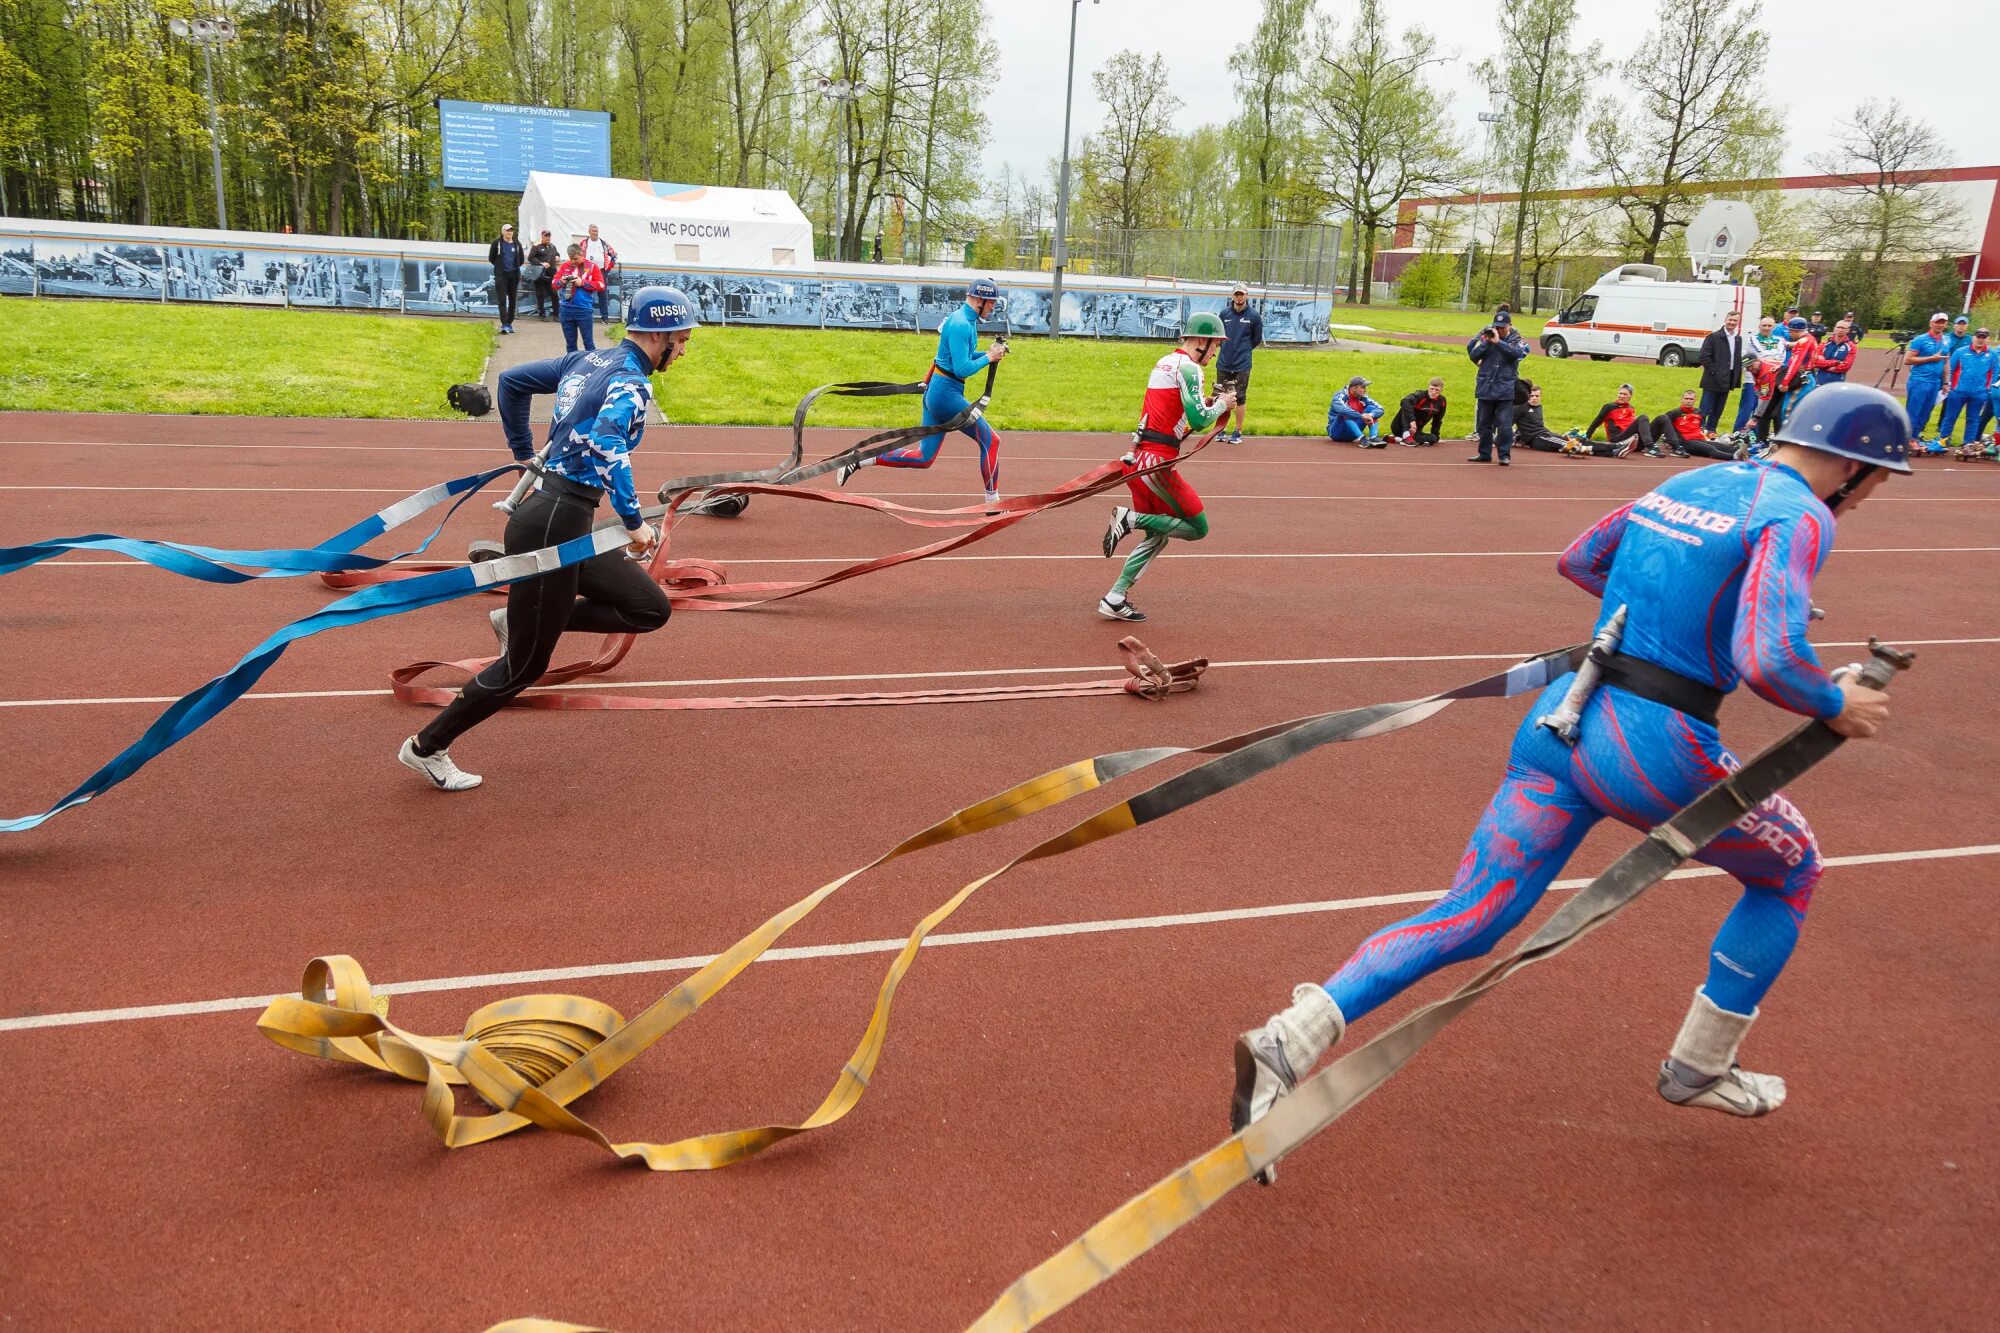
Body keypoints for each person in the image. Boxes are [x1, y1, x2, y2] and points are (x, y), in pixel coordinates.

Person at [1231, 382, 1910, 1165]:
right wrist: (1838, 702)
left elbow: (1583, 559)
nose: (1873, 495)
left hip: (1564, 719)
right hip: (1655, 748)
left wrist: (1669, 613)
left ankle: (1286, 1041)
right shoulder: (1800, 514)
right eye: (1880, 478)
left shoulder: (1688, 478)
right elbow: (1772, 659)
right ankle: (1699, 1066)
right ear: (1852, 465)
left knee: (1474, 910)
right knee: (1791, 869)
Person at [397, 286, 697, 791]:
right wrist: (632, 522)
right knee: (526, 665)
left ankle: (517, 619)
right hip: (553, 523)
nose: (685, 350)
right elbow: (606, 444)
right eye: (683, 340)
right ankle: (427, 748)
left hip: (559, 515)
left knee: (649, 608)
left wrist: (526, 455)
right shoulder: (629, 382)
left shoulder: (587, 359)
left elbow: (512, 382)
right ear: (660, 335)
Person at [1096, 312, 1235, 623]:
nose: (1216, 353)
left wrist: (1210, 403)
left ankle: (1115, 597)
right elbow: (1199, 420)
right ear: (1202, 341)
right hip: (1156, 464)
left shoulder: (1165, 362)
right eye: (1215, 346)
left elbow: (1176, 421)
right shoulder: (1190, 368)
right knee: (1198, 528)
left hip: (1138, 461)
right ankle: (1128, 518)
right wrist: (1223, 404)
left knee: (1158, 534)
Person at [837, 277, 1011, 509]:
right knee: (991, 441)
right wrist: (989, 358)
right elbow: (962, 368)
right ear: (979, 299)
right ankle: (993, 504)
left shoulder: (961, 319)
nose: (992, 307)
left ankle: (858, 459)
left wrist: (990, 353)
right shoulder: (961, 324)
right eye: (991, 302)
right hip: (945, 394)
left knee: (923, 458)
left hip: (938, 391)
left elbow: (952, 358)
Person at [1467, 310, 1531, 466]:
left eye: (1503, 327)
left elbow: (1515, 354)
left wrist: (1498, 342)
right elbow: (1473, 355)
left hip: (1505, 388)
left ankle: (1504, 455)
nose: (1500, 330)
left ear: (1510, 325)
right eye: (1497, 327)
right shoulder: (1487, 338)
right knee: (1483, 424)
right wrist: (1486, 342)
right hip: (1485, 387)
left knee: (1504, 425)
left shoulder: (1516, 339)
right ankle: (1484, 454)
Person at [1752, 317, 1818, 441]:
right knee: (1785, 411)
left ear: (1795, 330)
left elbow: (1795, 363)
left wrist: (1785, 382)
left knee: (1786, 412)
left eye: (1790, 331)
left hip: (1801, 379)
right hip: (1806, 377)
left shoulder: (1803, 341)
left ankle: (1787, 442)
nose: (1789, 334)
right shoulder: (1810, 339)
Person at [1516, 382, 1620, 456]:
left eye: (1537, 396)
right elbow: (1508, 423)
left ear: (1541, 396)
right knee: (1573, 445)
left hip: (1547, 434)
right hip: (1539, 439)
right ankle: (1616, 446)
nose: (1534, 398)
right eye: (1532, 396)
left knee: (1579, 441)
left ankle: (1614, 452)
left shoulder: (1539, 406)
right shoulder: (1521, 407)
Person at [1216, 284, 1263, 444]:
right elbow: (1219, 336)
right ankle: (1220, 429)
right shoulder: (1224, 314)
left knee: (1240, 397)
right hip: (1223, 362)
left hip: (1242, 364)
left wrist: (1243, 350)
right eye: (1236, 294)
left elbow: (1256, 339)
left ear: (1247, 296)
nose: (1239, 297)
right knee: (1221, 396)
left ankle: (1237, 431)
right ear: (1232, 296)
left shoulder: (1254, 316)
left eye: (1242, 294)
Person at [1938, 326, 1998, 446]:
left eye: (1984, 337)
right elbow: (1950, 369)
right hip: (1958, 391)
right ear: (1973, 338)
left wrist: (1988, 390)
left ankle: (1968, 444)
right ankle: (1944, 441)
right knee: (1950, 417)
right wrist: (1949, 385)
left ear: (1988, 339)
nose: (1980, 340)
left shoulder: (1992, 354)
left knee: (1973, 419)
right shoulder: (1961, 352)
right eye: (1978, 337)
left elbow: (1995, 373)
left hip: (1979, 393)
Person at [1902, 312, 1951, 447]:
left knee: (1926, 412)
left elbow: (1946, 362)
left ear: (1946, 324)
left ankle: (1915, 436)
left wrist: (1946, 382)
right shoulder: (1920, 339)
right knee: (1913, 411)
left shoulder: (1947, 340)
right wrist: (1930, 358)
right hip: (1919, 380)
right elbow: (1908, 359)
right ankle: (1908, 438)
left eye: (1943, 322)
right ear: (1931, 323)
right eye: (1937, 322)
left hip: (1936, 382)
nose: (1940, 325)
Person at [1733, 314, 1785, 434]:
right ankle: (1738, 432)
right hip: (1752, 379)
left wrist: (1766, 358)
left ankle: (1755, 434)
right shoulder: (1753, 338)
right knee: (1748, 406)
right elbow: (1759, 356)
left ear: (1774, 327)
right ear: (1759, 326)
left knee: (1763, 406)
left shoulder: (1780, 340)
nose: (1766, 328)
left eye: (1769, 325)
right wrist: (1771, 356)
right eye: (1764, 325)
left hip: (1770, 378)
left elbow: (1780, 358)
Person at [1652, 387, 1733, 459]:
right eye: (1686, 398)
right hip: (1686, 442)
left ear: (1695, 400)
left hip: (1700, 439)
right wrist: (1669, 441)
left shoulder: (1698, 412)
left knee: (1723, 446)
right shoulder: (1674, 413)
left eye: (1691, 399)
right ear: (1682, 399)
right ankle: (1735, 457)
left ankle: (1744, 452)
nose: (1688, 401)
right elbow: (1664, 426)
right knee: (1710, 449)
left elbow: (1700, 427)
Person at [551, 244, 605, 353]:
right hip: (566, 309)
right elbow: (553, 284)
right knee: (570, 344)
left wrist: (583, 283)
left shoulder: (592, 267)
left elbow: (601, 285)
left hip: (584, 309)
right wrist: (562, 281)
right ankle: (572, 367)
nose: (573, 261)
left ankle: (592, 367)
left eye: (575, 259)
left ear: (582, 254)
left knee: (588, 343)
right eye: (570, 259)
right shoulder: (565, 266)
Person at [1697, 310, 1742, 431]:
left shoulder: (1738, 339)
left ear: (1738, 322)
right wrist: (1714, 371)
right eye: (1730, 320)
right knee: (1705, 408)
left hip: (1728, 379)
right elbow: (1704, 356)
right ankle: (1698, 430)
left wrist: (1736, 377)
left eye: (1735, 320)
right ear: (1725, 320)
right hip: (1712, 379)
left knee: (1718, 409)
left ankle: (1711, 430)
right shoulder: (1714, 337)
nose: (1732, 322)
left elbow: (1736, 359)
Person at [1582, 384, 1657, 456]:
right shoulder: (1609, 407)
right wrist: (1587, 437)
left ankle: (1665, 444)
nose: (1621, 396)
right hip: (1617, 439)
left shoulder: (1630, 408)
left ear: (1630, 396)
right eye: (1620, 393)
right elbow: (1596, 422)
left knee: (1662, 418)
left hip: (1631, 440)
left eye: (1625, 394)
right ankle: (1651, 447)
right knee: (1643, 417)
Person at [1325, 376, 1386, 446]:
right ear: (1354, 388)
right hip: (1337, 432)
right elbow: (1342, 409)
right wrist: (1361, 416)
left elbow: (1380, 409)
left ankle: (1374, 437)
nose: (1365, 390)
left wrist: (1370, 415)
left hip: (1353, 433)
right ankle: (1362, 439)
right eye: (1363, 387)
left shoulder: (1364, 398)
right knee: (1346, 412)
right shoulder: (1340, 396)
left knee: (1371, 408)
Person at [488, 223, 524, 334]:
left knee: (513, 300)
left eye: (511, 230)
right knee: (502, 300)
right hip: (501, 276)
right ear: (503, 232)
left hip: (514, 275)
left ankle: (509, 323)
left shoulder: (517, 244)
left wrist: (514, 268)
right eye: (507, 230)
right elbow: (492, 258)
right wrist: (500, 268)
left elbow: (521, 259)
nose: (509, 232)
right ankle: (504, 324)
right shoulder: (497, 243)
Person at [1391, 378, 1448, 445]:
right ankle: (1406, 435)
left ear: (1441, 390)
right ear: (1428, 387)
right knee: (1406, 405)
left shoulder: (1442, 401)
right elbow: (1405, 401)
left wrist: (1436, 437)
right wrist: (1412, 420)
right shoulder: (1420, 395)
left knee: (1433, 438)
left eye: (1437, 390)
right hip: (1400, 426)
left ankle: (1395, 439)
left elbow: (1437, 420)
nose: (1433, 392)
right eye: (1431, 389)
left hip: (1415, 431)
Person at [582, 224, 618, 320]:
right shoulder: (584, 243)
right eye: (593, 230)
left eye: (596, 231)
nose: (595, 232)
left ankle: (605, 318)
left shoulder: (604, 244)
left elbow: (614, 256)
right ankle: (586, 315)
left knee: (602, 293)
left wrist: (608, 267)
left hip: (601, 270)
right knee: (585, 291)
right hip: (587, 270)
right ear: (589, 231)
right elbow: (578, 256)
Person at [1810, 320, 1856, 394]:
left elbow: (1846, 366)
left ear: (1848, 330)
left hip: (1837, 381)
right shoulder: (1824, 344)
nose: (1840, 330)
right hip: (1820, 379)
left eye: (1843, 328)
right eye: (1838, 327)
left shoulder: (1851, 347)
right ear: (1834, 328)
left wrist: (1825, 365)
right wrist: (1836, 362)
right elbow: (1816, 362)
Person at [526, 230, 561, 320]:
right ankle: (542, 314)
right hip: (540, 273)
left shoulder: (552, 246)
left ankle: (556, 315)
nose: (547, 237)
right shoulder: (536, 246)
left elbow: (557, 254)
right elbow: (530, 258)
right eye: (545, 236)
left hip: (551, 273)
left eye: (549, 236)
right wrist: (541, 263)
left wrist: (557, 257)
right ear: (542, 236)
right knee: (540, 294)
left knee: (554, 294)